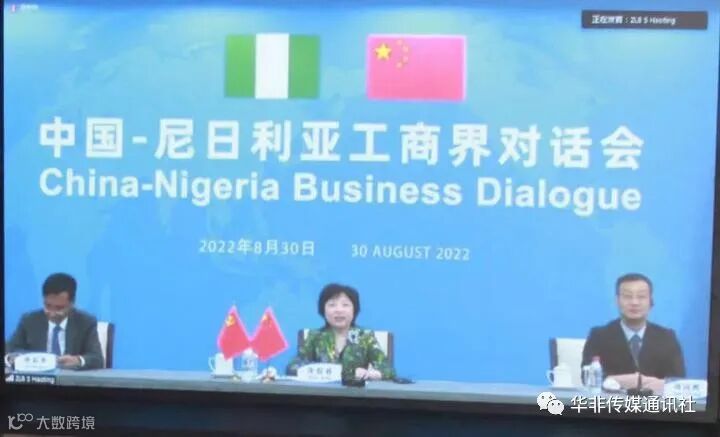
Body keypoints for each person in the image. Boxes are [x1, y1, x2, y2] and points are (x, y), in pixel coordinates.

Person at [581, 273, 685, 394]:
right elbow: (588, 378)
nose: (634, 302)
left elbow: (676, 382)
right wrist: (641, 381)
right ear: (617, 301)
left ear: (651, 302)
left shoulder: (667, 337)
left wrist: (624, 380)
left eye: (641, 296)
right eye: (627, 296)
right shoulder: (599, 336)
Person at [286, 283, 395, 381]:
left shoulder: (365, 336)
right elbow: (293, 367)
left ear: (354, 310)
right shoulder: (315, 336)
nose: (339, 310)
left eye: (345, 305)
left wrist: (371, 374)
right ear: (323, 310)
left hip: (355, 394)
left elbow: (387, 369)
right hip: (321, 394)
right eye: (332, 305)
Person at [6, 273, 104, 370]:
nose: (52, 313)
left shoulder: (85, 322)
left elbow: (97, 359)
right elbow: (10, 350)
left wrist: (78, 360)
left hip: (69, 377)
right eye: (47, 306)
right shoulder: (29, 320)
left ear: (72, 303)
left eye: (59, 308)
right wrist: (13, 357)